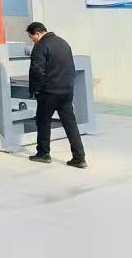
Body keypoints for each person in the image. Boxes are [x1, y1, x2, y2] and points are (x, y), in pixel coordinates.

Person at [26, 22, 87, 168]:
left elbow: (37, 71)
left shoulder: (40, 46)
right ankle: (79, 158)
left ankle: (43, 154)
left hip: (49, 92)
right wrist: (69, 87)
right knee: (70, 124)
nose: (32, 40)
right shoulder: (63, 43)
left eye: (31, 37)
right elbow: (71, 67)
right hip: (66, 91)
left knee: (43, 121)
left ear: (37, 33)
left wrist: (36, 90)